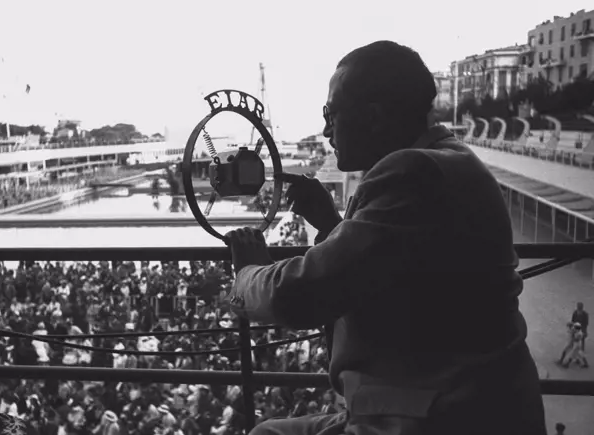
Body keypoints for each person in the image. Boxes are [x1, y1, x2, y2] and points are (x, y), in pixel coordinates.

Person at [225, 41, 546, 435]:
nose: (326, 129)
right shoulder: (446, 160)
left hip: (437, 415)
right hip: (459, 402)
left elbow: (305, 293)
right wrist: (329, 222)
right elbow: (380, 268)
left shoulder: (415, 172)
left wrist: (247, 273)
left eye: (331, 113)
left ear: (374, 116)